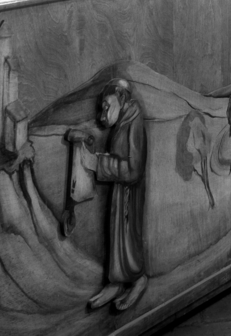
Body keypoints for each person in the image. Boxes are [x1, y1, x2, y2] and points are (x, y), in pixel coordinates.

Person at [82, 79, 149, 312]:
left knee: (128, 238)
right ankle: (116, 283)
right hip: (121, 190)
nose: (103, 114)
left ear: (121, 98)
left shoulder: (134, 121)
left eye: (107, 106)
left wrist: (98, 163)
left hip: (130, 191)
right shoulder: (124, 120)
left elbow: (134, 169)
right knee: (117, 236)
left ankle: (137, 279)